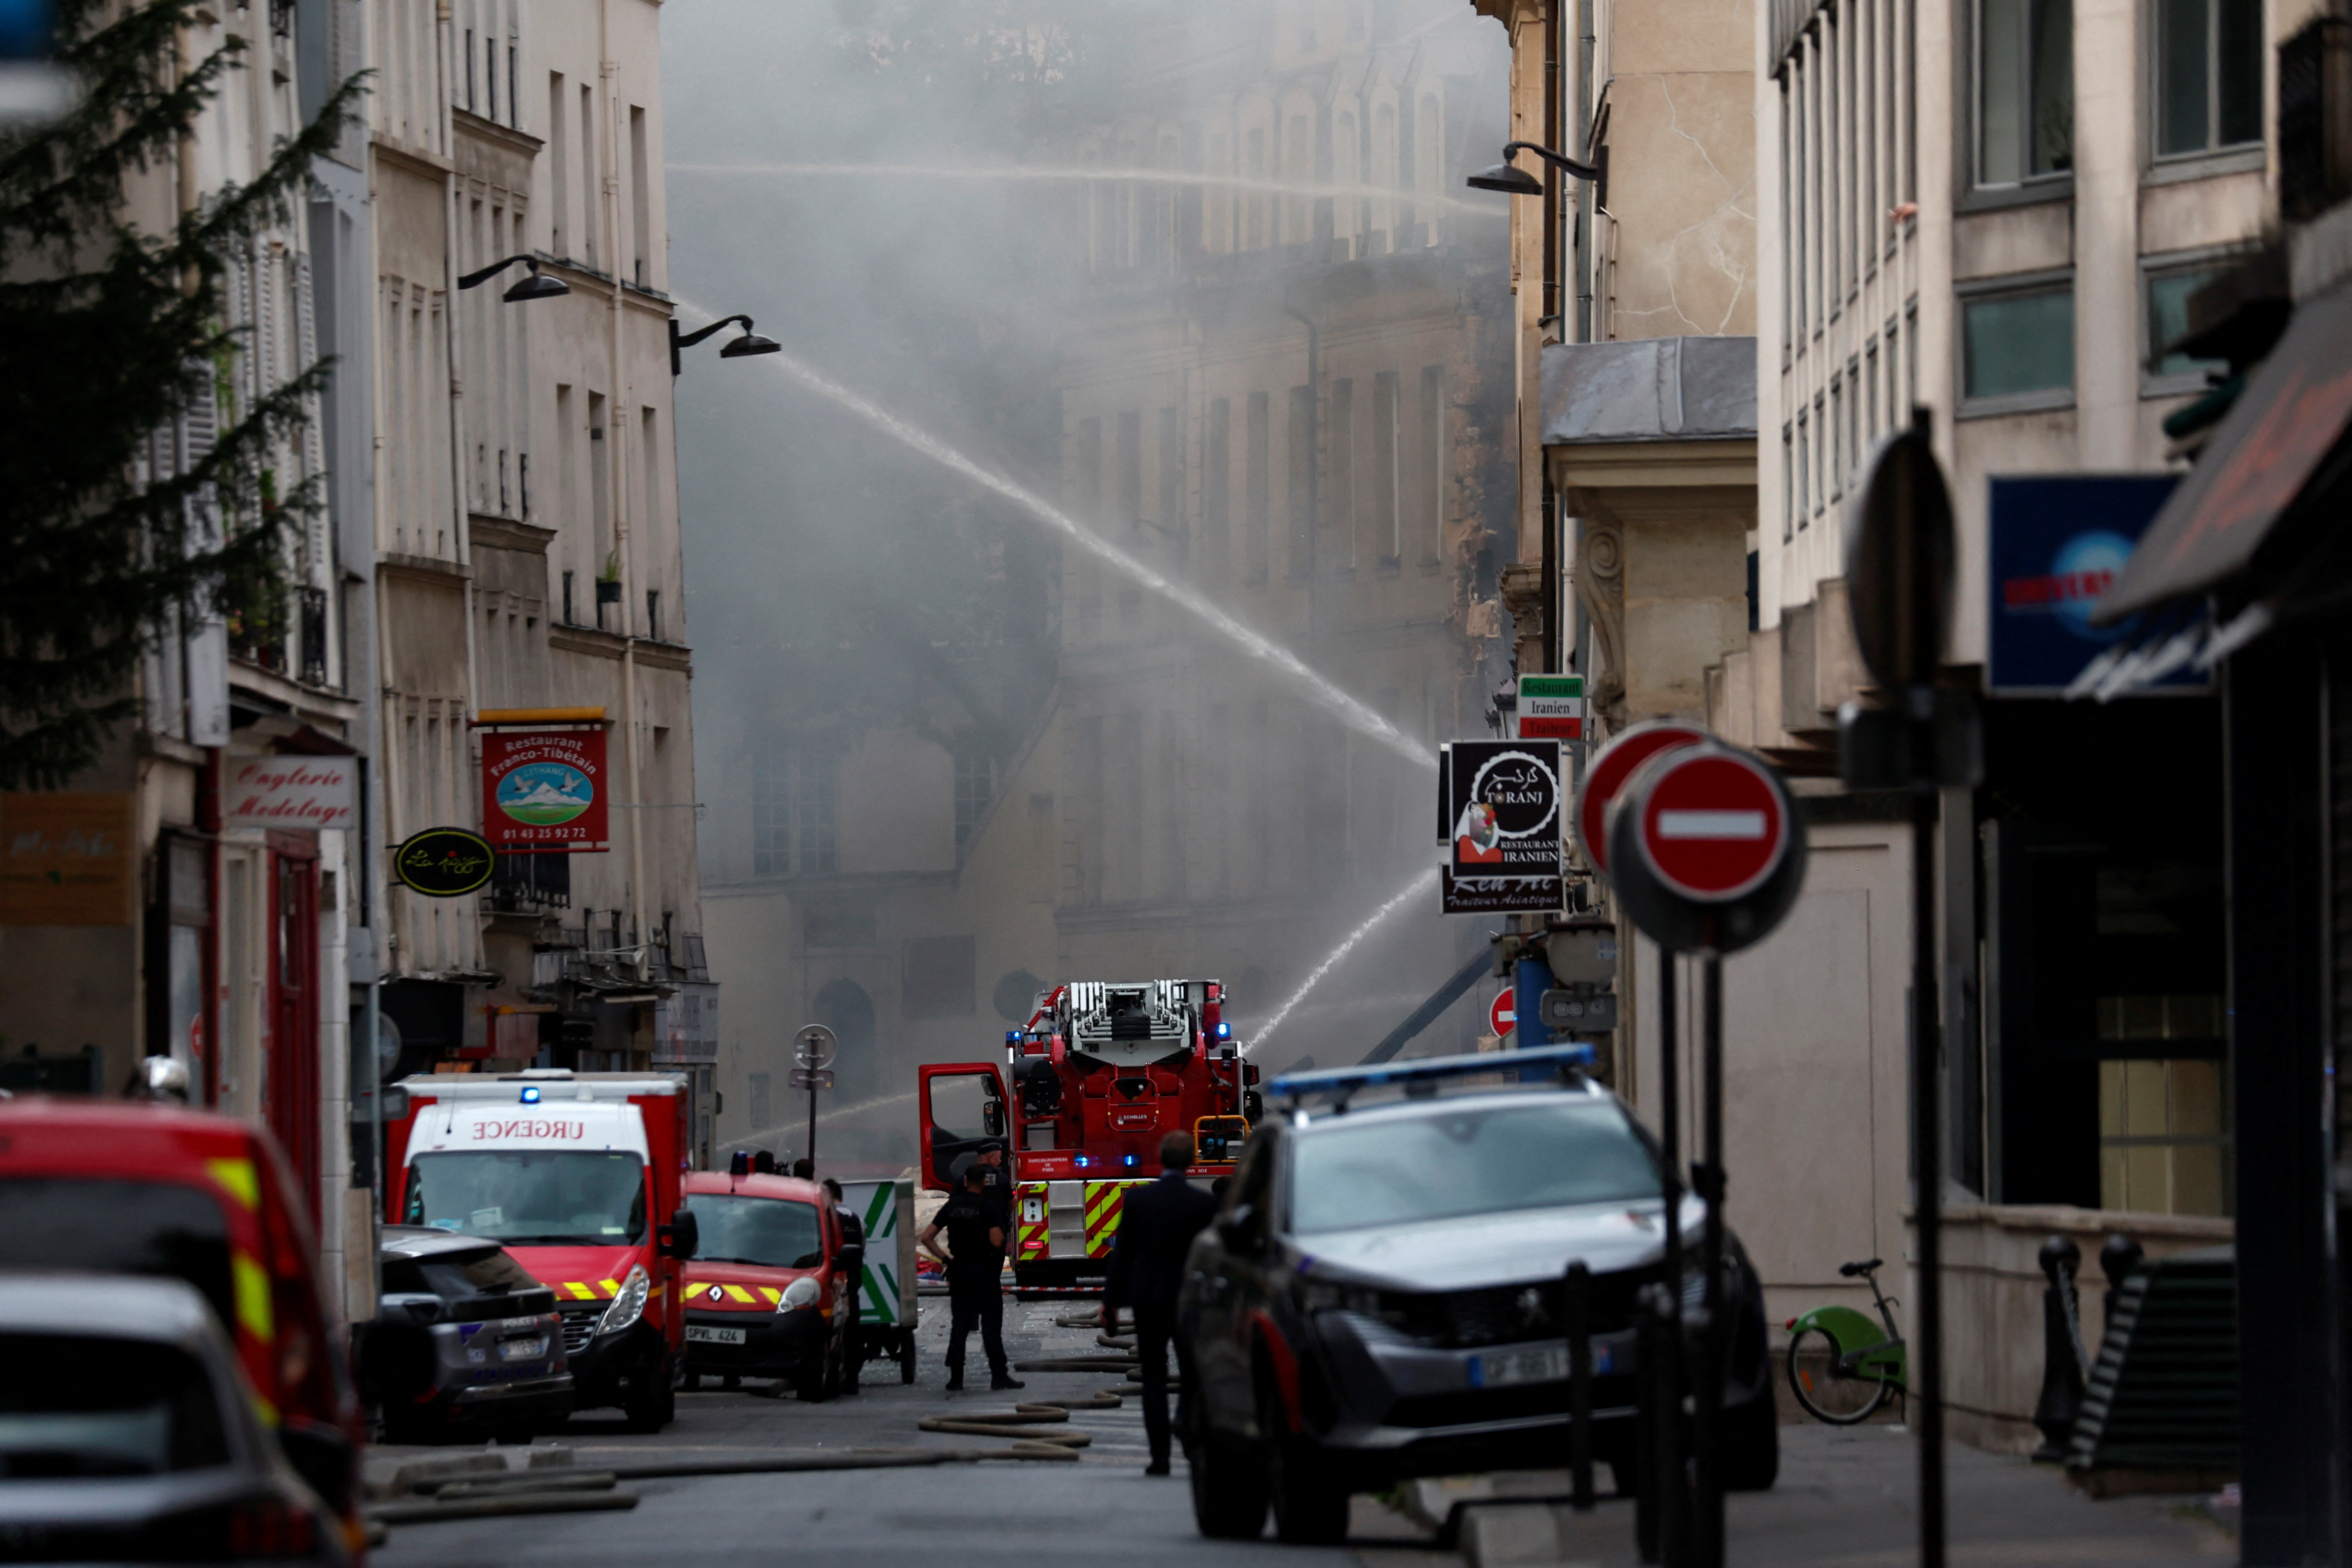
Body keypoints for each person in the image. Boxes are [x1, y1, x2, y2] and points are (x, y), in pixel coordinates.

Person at [1101, 1131, 1219, 1475]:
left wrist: (1111, 1302)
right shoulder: (1204, 1204)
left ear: (1161, 1159)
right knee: (1193, 1374)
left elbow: (1122, 1254)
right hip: (1189, 1302)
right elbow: (1212, 1259)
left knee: (1153, 1378)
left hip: (1149, 1300)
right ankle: (1187, 1425)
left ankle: (1160, 1457)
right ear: (1192, 1162)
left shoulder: (1139, 1201)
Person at [920, 1154, 1024, 1393]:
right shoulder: (987, 1207)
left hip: (960, 1272)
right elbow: (997, 1240)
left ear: (966, 1181)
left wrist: (947, 1260)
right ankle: (999, 1376)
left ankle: (956, 1378)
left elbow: (927, 1237)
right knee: (991, 1326)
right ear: (984, 1183)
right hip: (985, 1272)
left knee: (960, 1325)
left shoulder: (952, 1206)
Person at [822, 1177, 865, 1396]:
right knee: (852, 1333)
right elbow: (861, 1249)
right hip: (851, 1284)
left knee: (828, 1332)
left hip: (828, 1284)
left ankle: (830, 1378)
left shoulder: (824, 1218)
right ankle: (852, 1380)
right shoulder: (856, 1219)